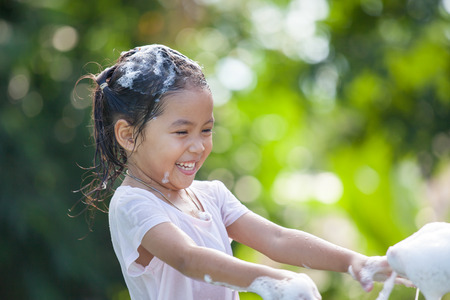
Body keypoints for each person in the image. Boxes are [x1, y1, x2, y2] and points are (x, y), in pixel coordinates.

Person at [78, 44, 400, 300]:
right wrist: (274, 280)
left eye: (206, 130)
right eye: (181, 133)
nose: (198, 146)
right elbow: (189, 259)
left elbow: (277, 238)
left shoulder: (211, 196)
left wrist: (355, 262)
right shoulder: (133, 204)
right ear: (128, 135)